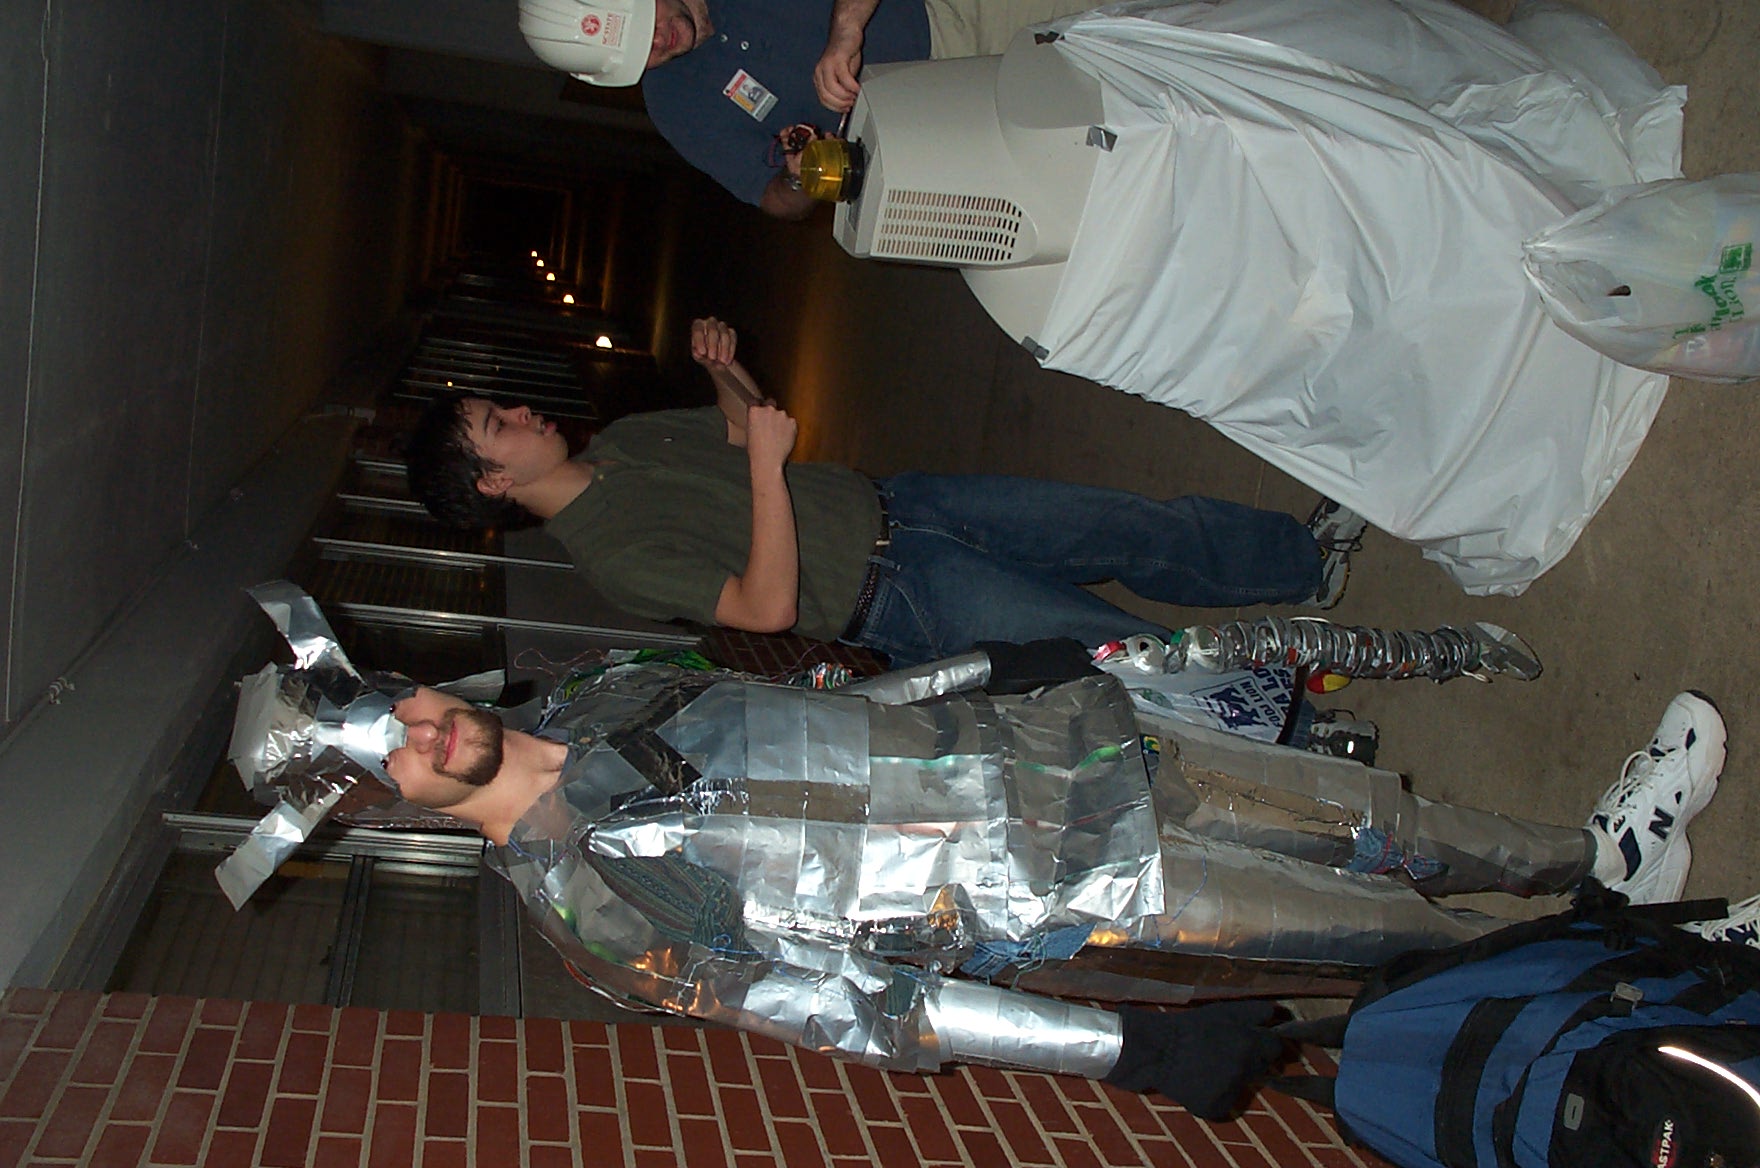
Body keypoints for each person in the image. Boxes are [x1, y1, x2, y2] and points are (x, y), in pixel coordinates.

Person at [381, 651, 1751, 1106]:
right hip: (1086, 893)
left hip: (1074, 745)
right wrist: (1122, 1050)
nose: (422, 733)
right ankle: (1648, 967)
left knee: (1392, 822)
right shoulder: (591, 915)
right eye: (386, 755)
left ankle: (1599, 859)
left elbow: (828, 708)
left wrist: (989, 666)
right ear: (386, 803)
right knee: (1394, 931)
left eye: (399, 706)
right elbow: (867, 1010)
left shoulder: (609, 689)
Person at [404, 317, 1364, 668]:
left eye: (503, 405)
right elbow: (766, 608)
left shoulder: (619, 443)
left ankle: (1302, 563)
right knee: (1116, 652)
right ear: (495, 481)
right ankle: (1290, 720)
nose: (521, 411)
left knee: (1126, 525)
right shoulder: (610, 556)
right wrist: (767, 467)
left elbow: (747, 425)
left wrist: (724, 367)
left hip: (904, 502)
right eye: (499, 423)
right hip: (899, 596)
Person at [519, 0, 1103, 217]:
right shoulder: (674, 104)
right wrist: (802, 177)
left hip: (949, 13)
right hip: (931, 133)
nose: (658, 42)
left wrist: (846, 28)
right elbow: (772, 197)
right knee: (1097, 148)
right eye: (638, 54)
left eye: (643, 22)